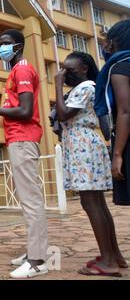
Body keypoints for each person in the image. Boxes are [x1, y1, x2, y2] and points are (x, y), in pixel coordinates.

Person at [0, 29, 49, 279]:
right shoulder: (15, 71)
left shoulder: (23, 70)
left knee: (31, 201)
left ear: (18, 46)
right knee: (27, 200)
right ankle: (33, 252)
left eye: (6, 44)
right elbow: (15, 109)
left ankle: (37, 261)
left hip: (24, 140)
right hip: (17, 139)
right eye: (0, 43)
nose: (1, 48)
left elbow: (25, 111)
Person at [55, 52, 125, 277]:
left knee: (91, 202)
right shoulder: (81, 88)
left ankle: (108, 261)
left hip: (83, 145)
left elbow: (64, 115)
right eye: (63, 71)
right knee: (97, 204)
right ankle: (114, 255)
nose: (65, 75)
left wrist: (56, 85)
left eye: (70, 70)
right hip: (80, 143)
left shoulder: (87, 86)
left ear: (84, 68)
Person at [95, 19, 130, 208]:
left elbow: (125, 111)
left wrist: (117, 154)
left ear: (113, 43)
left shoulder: (119, 68)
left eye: (106, 42)